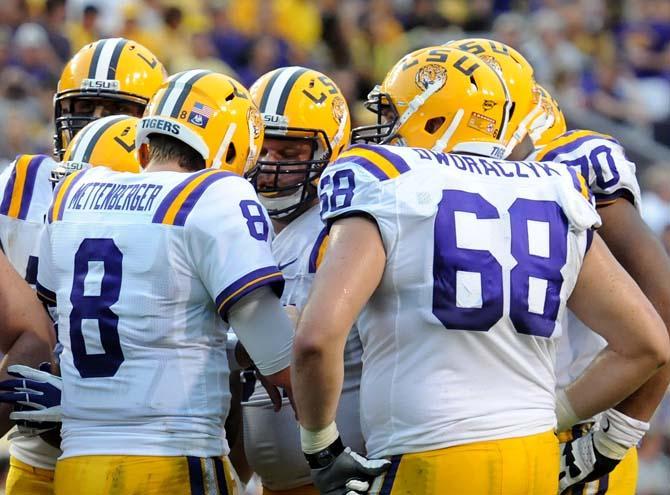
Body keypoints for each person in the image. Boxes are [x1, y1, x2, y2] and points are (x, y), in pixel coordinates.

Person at [293, 46, 670, 494]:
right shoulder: (553, 189)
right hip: (533, 449)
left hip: (432, 451)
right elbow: (648, 343)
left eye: (394, 113)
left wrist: (320, 445)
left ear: (439, 118)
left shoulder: (391, 179)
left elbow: (316, 339)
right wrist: (554, 414)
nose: (384, 129)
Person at [34, 70, 294, 495]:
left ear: (143, 146)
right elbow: (280, 359)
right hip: (172, 458)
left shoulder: (73, 194)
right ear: (231, 148)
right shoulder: (214, 196)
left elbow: (65, 326)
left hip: (77, 463)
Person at [0, 37, 166, 495]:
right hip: (34, 448)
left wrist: (81, 398)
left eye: (114, 109)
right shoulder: (21, 183)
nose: (95, 122)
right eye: (84, 106)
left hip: (138, 442)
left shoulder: (177, 203)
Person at [241, 66, 364, 495]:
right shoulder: (240, 220)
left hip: (339, 474)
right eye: (264, 152)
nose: (271, 168)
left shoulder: (338, 228)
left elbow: (301, 336)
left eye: (290, 154)